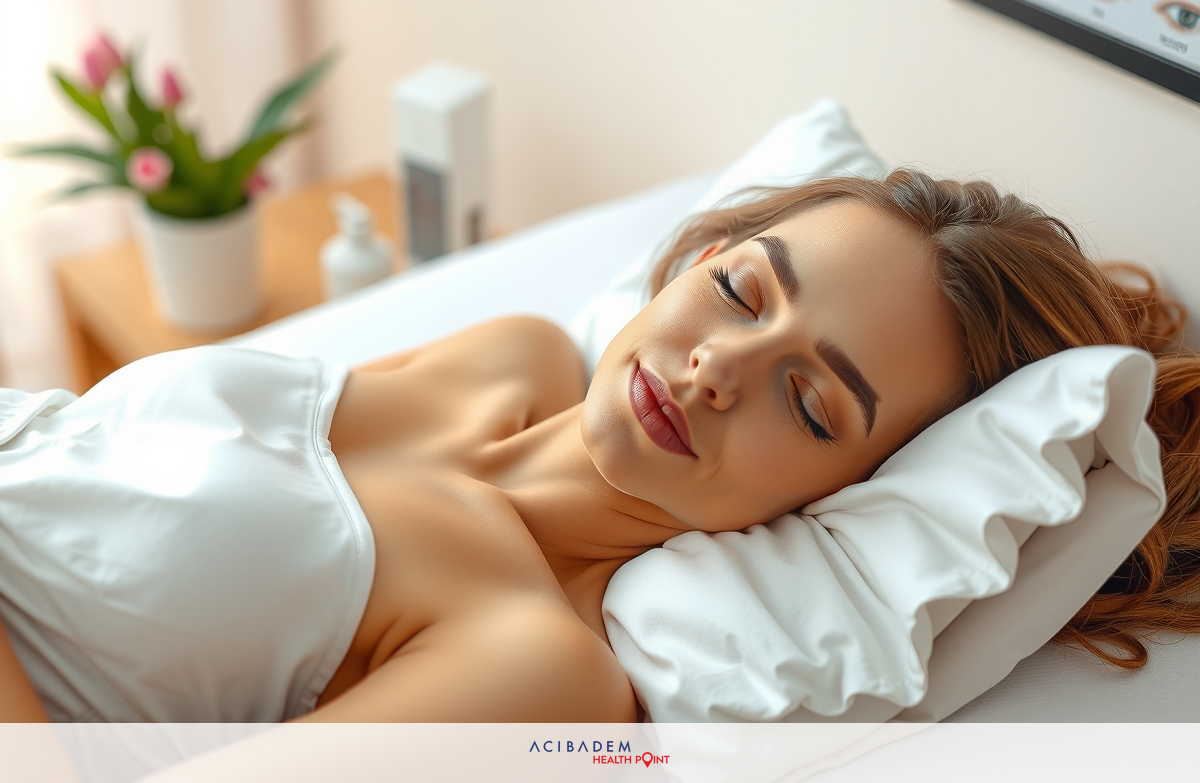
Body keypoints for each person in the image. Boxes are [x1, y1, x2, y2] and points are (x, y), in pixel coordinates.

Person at [1, 169, 1197, 725]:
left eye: (814, 403)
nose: (718, 369)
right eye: (741, 290)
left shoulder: (541, 663)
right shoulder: (509, 357)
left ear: (856, 492)